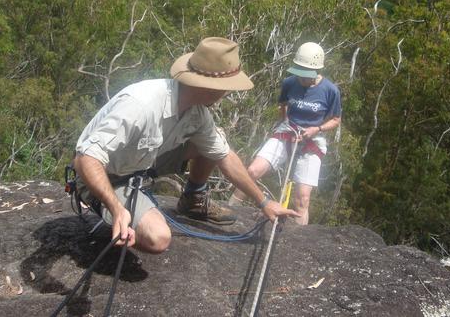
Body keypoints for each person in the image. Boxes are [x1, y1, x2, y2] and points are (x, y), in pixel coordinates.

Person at [73, 37, 299, 253]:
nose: (228, 92)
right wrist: (116, 207)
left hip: (143, 163)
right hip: (106, 177)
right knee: (158, 238)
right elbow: (86, 158)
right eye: (227, 87)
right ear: (211, 87)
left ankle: (193, 199)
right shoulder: (141, 105)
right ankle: (110, 209)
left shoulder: (197, 112)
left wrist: (264, 202)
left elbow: (224, 156)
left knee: (214, 138)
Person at [228, 42, 341, 225]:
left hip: (313, 137)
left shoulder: (330, 91)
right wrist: (285, 122)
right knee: (252, 171)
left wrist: (316, 129)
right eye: (300, 74)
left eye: (306, 76)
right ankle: (231, 207)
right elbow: (283, 104)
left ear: (317, 70)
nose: (302, 79)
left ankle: (298, 239)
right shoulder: (290, 82)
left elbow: (336, 119)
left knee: (302, 197)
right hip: (288, 130)